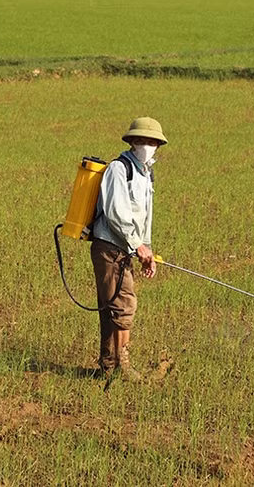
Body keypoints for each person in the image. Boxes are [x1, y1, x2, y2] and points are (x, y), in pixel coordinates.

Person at [90, 117, 168, 381]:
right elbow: (115, 212)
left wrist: (147, 251)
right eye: (142, 140)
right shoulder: (118, 169)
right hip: (110, 247)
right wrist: (137, 245)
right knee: (123, 306)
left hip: (126, 249)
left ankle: (108, 367)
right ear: (132, 142)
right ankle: (123, 367)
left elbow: (143, 218)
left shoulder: (146, 174)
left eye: (152, 142)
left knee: (112, 306)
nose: (148, 145)